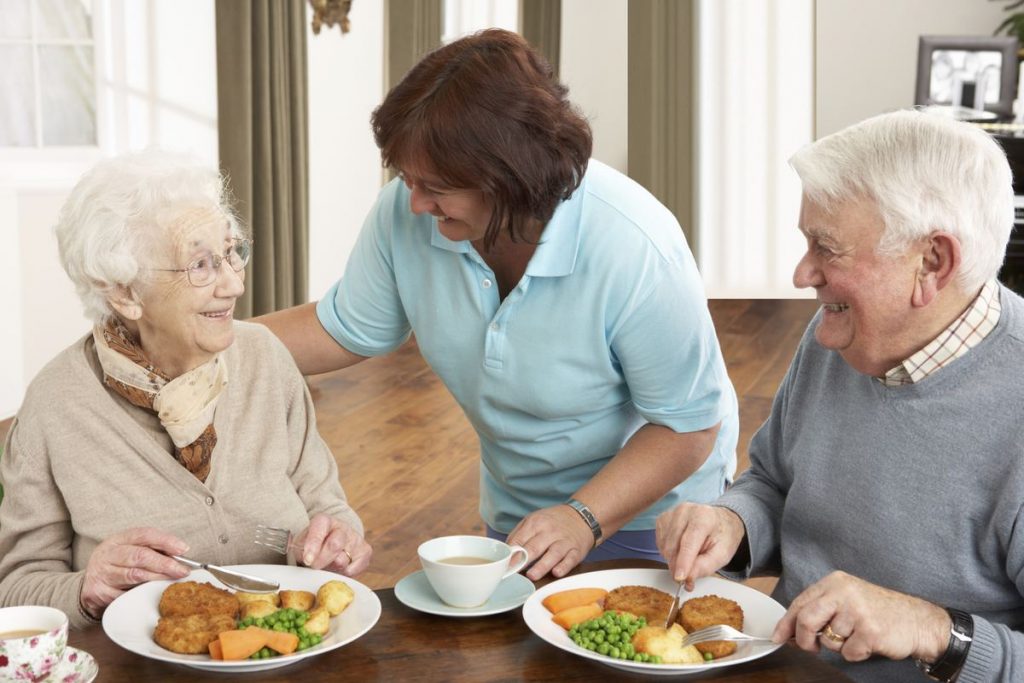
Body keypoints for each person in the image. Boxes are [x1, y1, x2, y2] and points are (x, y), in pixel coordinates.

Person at [259, 29, 738, 581]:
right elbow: (341, 328)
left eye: (435, 185)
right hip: (522, 514)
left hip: (656, 519)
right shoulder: (410, 213)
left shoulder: (634, 243)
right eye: (406, 179)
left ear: (510, 178)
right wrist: (202, 342)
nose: (414, 202)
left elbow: (688, 427)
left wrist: (584, 517)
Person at [655, 110, 1024, 682]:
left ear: (932, 262)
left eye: (826, 248)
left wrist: (931, 629)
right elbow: (775, 480)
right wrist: (733, 524)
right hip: (781, 666)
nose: (803, 274)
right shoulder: (839, 334)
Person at [0, 150, 371, 629]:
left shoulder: (265, 358)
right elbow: (15, 589)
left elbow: (327, 505)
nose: (233, 284)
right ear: (123, 292)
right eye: (200, 265)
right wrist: (85, 589)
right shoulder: (55, 403)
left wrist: (338, 539)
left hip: (286, 651)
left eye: (232, 252)